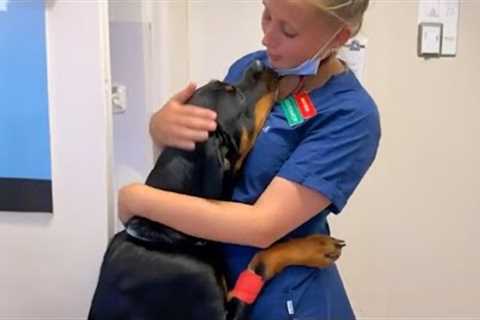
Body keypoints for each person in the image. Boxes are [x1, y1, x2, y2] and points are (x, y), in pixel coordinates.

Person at [118, 0, 380, 319]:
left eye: (288, 30)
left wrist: (138, 199)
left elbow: (261, 226)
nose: (267, 37)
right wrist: (160, 128)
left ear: (338, 37)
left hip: (283, 301)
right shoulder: (251, 68)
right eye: (267, 14)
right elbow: (203, 166)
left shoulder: (350, 115)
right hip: (205, 274)